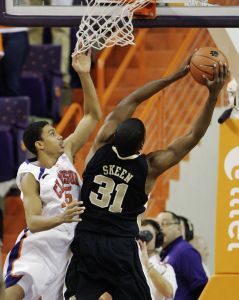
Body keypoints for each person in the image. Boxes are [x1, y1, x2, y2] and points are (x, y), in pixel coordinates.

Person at [65, 57, 228, 300]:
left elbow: (133, 99)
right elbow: (193, 136)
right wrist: (213, 95)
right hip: (120, 247)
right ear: (142, 146)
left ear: (114, 134)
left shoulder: (98, 147)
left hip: (87, 239)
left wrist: (173, 76)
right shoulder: (149, 167)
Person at [3, 49, 102, 300]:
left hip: (64, 252)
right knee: (13, 295)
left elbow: (92, 115)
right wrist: (63, 217)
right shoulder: (29, 173)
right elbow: (34, 222)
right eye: (51, 133)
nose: (59, 135)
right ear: (39, 144)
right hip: (38, 247)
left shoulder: (67, 153)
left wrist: (84, 74)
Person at [156, 211, 208, 300]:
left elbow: (202, 287)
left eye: (164, 223)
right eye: (157, 225)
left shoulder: (185, 251)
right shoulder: (166, 252)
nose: (160, 229)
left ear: (178, 228)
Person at [139, 218, 177, 300]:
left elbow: (169, 293)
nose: (142, 239)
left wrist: (147, 265)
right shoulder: (128, 264)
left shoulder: (165, 269)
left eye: (147, 234)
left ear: (158, 239)